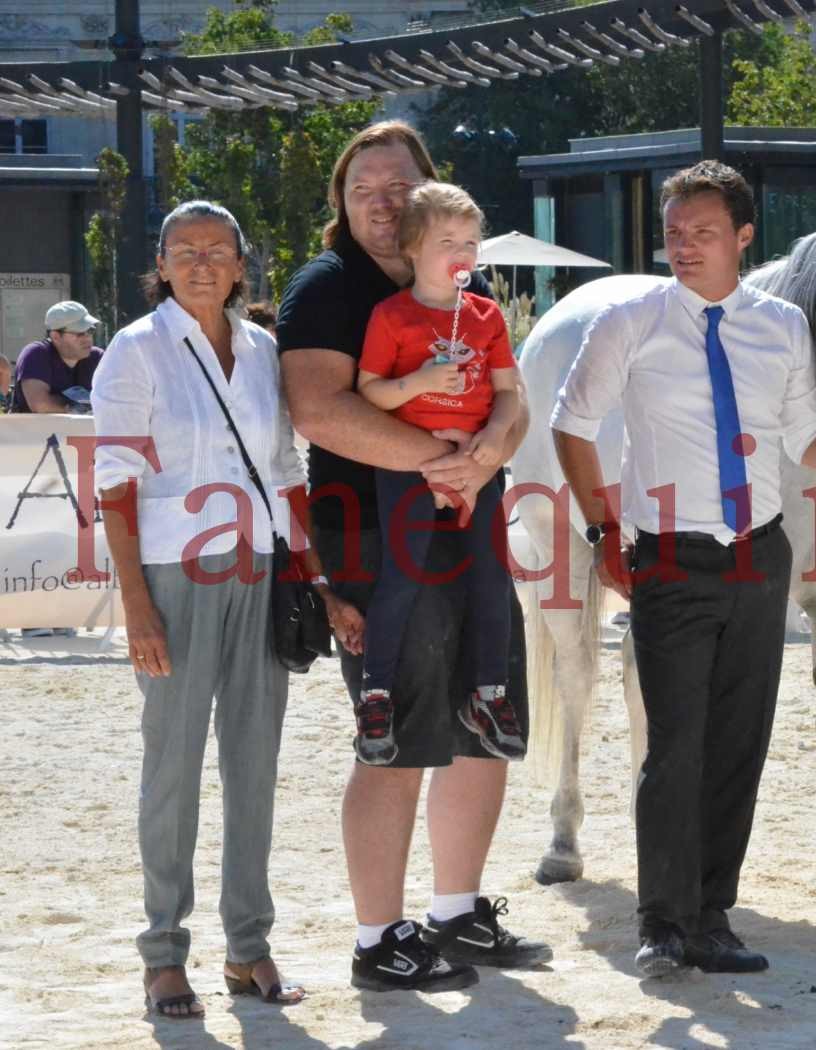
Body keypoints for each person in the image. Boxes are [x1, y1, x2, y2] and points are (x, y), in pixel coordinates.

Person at [552, 160, 816, 978]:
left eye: (703, 232)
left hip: (760, 556)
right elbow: (571, 424)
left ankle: (714, 918)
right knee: (673, 749)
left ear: (743, 237)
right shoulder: (629, 320)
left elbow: (808, 442)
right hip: (667, 557)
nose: (683, 247)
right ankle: (662, 922)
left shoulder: (783, 327)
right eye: (674, 233)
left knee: (737, 746)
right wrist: (600, 527)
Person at [274, 120, 549, 993]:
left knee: (482, 722)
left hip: (470, 521)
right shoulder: (327, 287)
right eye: (364, 191)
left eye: (397, 186)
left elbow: (515, 403)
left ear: (429, 190)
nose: (383, 203)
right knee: (394, 736)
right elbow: (319, 413)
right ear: (341, 206)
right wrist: (445, 464)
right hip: (376, 535)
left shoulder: (466, 290)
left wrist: (489, 456)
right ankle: (375, 936)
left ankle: (457, 912)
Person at [91, 201, 364, 1019]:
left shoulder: (265, 351)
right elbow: (113, 484)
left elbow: (286, 476)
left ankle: (248, 948)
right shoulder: (134, 352)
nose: (202, 263)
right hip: (173, 577)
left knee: (254, 765)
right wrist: (135, 606)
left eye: (217, 251)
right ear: (163, 265)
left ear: (242, 265)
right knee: (170, 767)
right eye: (184, 251)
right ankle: (162, 954)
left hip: (260, 574)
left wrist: (318, 582)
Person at [355, 182, 524, 765]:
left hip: (476, 467)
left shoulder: (486, 315)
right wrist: (421, 384)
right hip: (409, 468)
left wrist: (492, 442)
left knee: (491, 578)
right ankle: (376, 694)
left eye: (472, 242)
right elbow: (370, 392)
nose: (462, 252)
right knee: (401, 577)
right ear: (411, 249)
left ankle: (489, 693)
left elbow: (507, 393)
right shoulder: (391, 315)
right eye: (446, 240)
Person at [12, 300, 103, 413]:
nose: (87, 338)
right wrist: (83, 408)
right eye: (79, 333)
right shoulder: (36, 354)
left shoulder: (97, 357)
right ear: (55, 336)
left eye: (90, 330)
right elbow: (40, 405)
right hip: (35, 430)